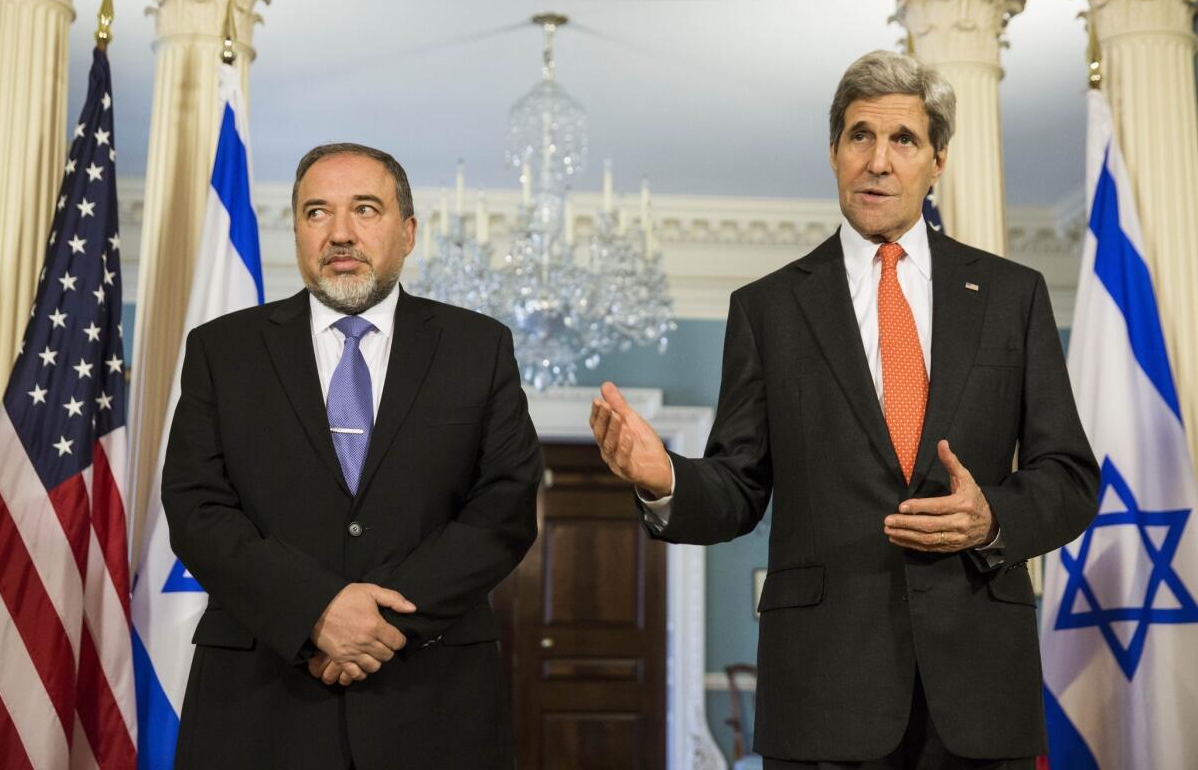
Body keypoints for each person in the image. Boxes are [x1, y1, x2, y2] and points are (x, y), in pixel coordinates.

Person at [589, 51, 1099, 769]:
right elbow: (738, 488)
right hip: (822, 691)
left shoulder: (1014, 297)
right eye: (860, 136)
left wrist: (992, 518)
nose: (879, 162)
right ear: (834, 153)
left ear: (937, 160)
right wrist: (664, 478)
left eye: (903, 141)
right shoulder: (767, 309)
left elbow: (1070, 477)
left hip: (980, 688)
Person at [162, 143, 541, 769]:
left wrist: (372, 625)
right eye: (317, 213)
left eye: (365, 209)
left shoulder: (479, 349)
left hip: (433, 698)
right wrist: (314, 610)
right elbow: (197, 510)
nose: (340, 233)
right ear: (297, 232)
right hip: (258, 700)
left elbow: (503, 509)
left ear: (408, 231)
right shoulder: (221, 352)